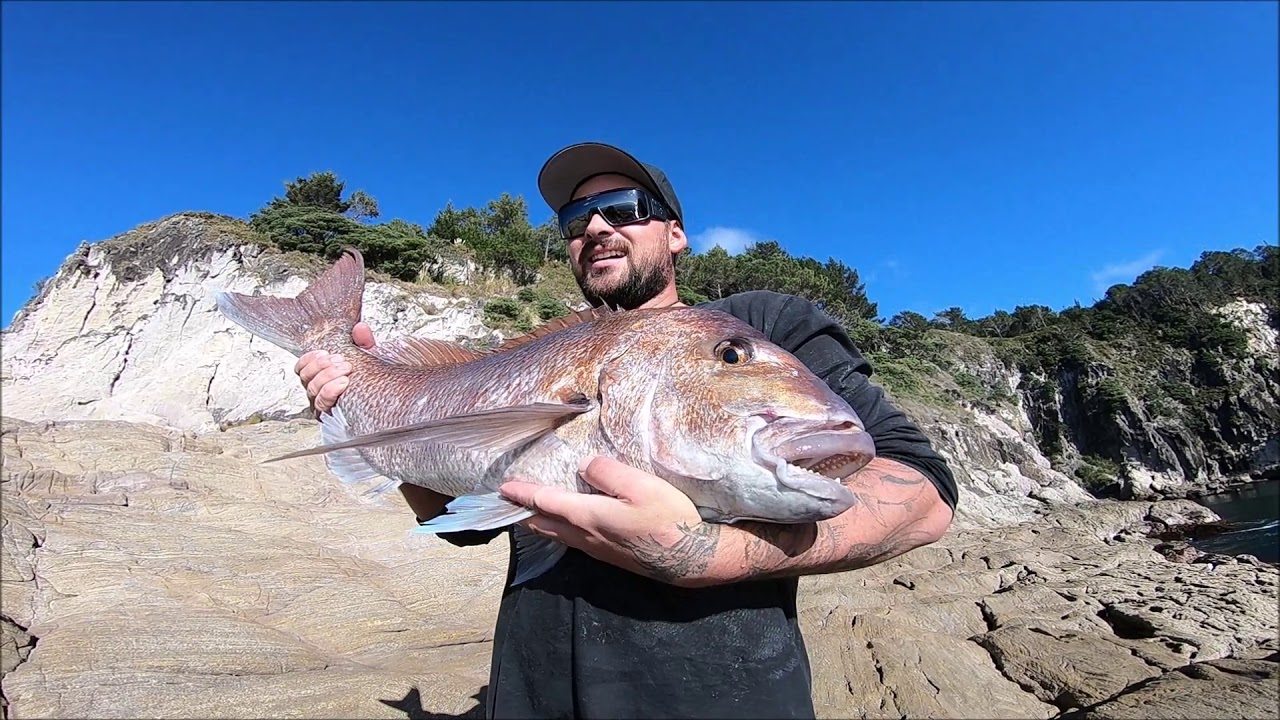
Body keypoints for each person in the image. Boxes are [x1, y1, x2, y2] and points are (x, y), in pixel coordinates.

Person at [295, 142, 959, 719]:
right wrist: (356, 410)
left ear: (675, 232)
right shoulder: (533, 354)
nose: (598, 226)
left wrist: (707, 556)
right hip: (529, 697)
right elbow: (461, 522)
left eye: (625, 206)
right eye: (576, 217)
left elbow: (924, 493)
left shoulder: (761, 322)